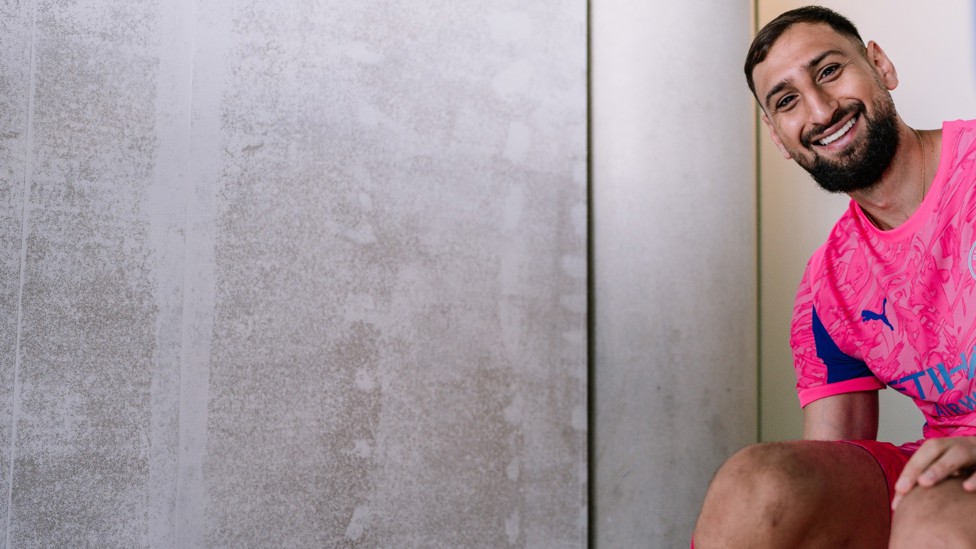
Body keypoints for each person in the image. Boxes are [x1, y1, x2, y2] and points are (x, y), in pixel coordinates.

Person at [692, 6, 976, 548]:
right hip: (944, 470)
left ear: (880, 66)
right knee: (757, 485)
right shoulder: (831, 287)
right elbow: (830, 467)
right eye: (787, 101)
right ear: (779, 136)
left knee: (934, 515)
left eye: (828, 71)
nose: (820, 110)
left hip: (945, 497)